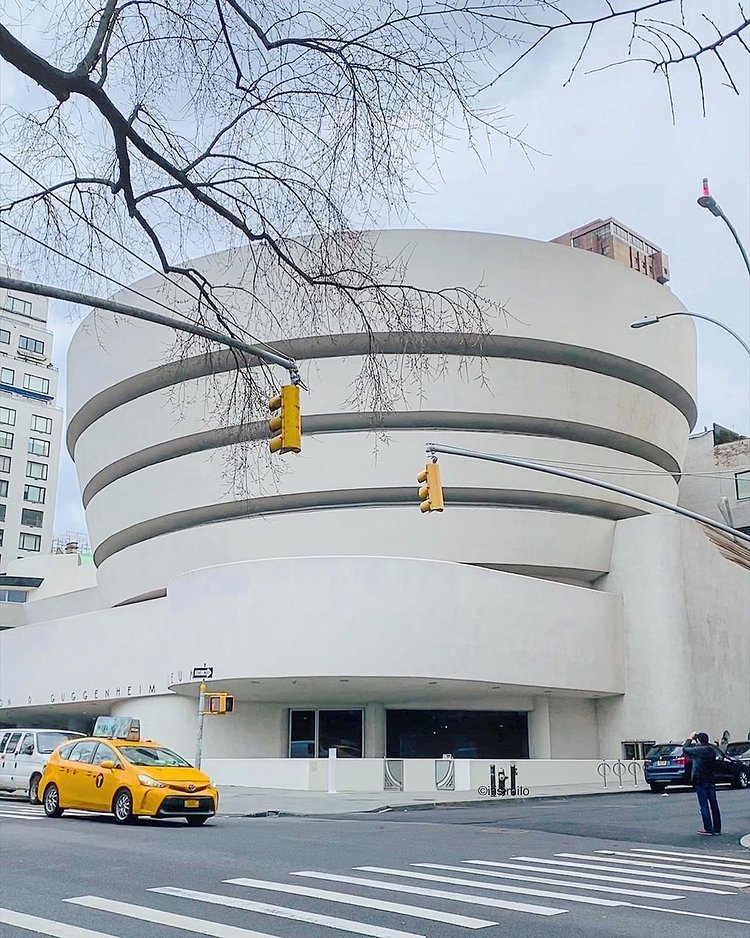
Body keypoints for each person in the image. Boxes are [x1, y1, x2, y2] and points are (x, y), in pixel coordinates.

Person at [683, 731, 722, 836]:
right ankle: (717, 828)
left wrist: (690, 738)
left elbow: (685, 748)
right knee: (714, 804)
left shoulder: (698, 750)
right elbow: (721, 757)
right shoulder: (711, 749)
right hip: (711, 779)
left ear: (699, 740)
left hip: (700, 779)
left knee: (704, 804)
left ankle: (708, 828)